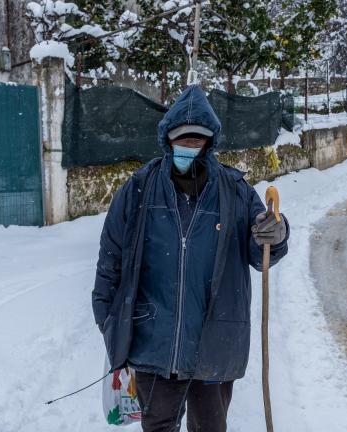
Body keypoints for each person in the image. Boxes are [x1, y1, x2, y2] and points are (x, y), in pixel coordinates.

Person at [92, 84, 290, 432]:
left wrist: (276, 233)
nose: (188, 147)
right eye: (181, 139)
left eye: (196, 140)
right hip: (154, 341)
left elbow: (261, 254)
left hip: (215, 343)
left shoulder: (235, 191)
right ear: (167, 140)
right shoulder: (139, 188)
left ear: (210, 141)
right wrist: (108, 321)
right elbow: (111, 259)